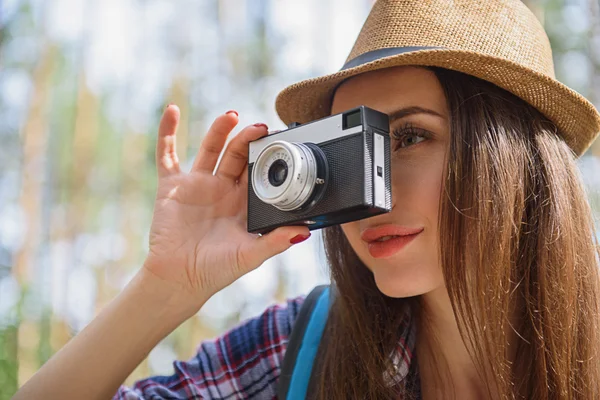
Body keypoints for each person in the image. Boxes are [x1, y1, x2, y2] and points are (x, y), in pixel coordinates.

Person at [13, 0, 600, 399]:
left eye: (410, 137)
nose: (371, 196)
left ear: (519, 158)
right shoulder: (302, 347)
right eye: (351, 152)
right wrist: (166, 287)